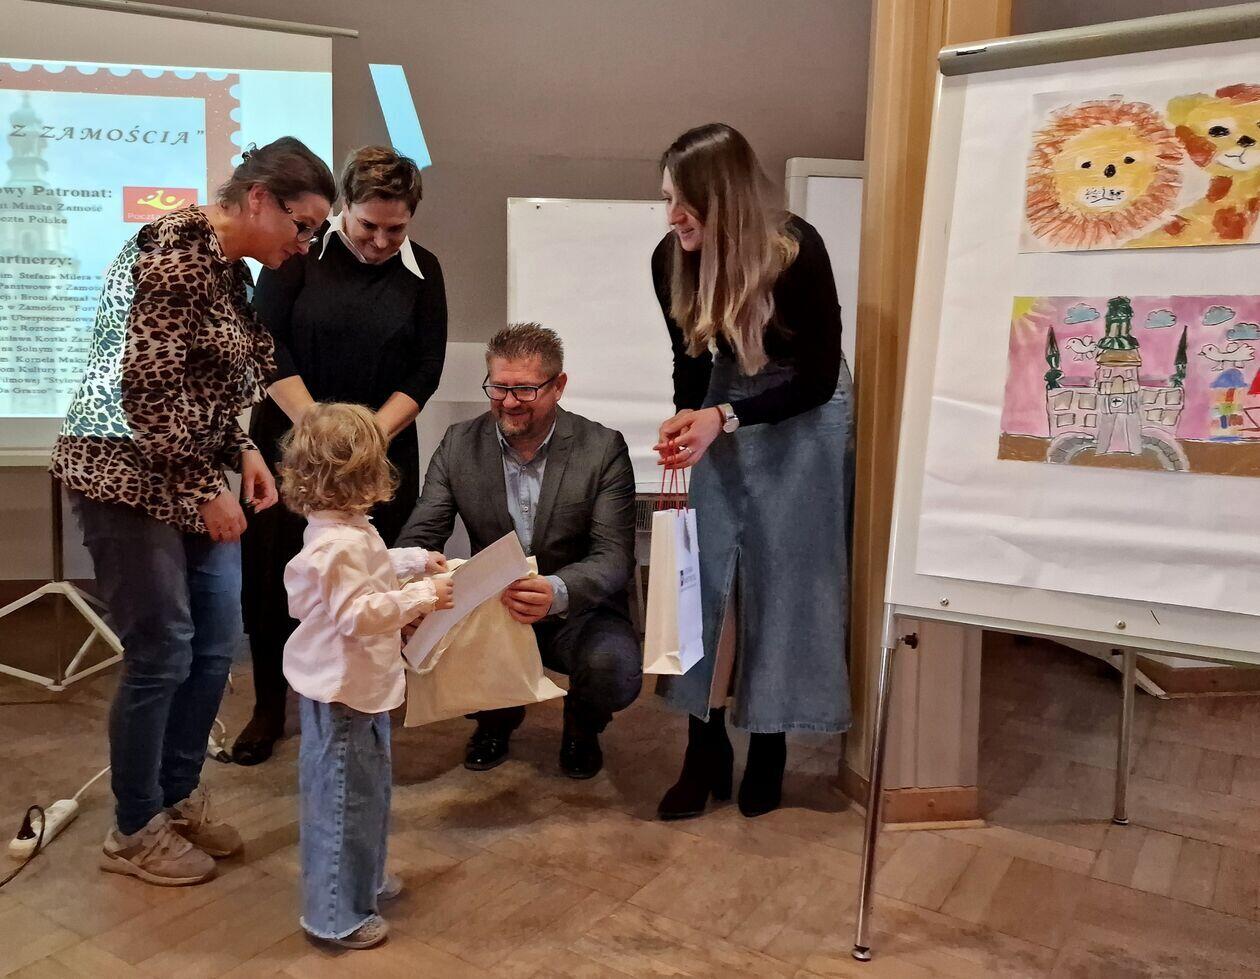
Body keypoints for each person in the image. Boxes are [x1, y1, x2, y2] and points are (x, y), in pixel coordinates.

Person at [50, 137, 336, 885]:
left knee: (212, 646)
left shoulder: (227, 266)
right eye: (303, 225)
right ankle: (132, 828)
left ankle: (175, 799)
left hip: (188, 468)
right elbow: (146, 393)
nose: (305, 244)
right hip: (124, 476)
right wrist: (206, 488)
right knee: (162, 650)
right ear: (260, 199)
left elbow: (211, 379)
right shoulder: (173, 256)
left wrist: (243, 448)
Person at [650, 123, 855, 820]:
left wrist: (726, 418)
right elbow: (689, 357)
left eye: (684, 202)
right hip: (724, 403)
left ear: (725, 199)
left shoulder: (796, 250)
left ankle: (770, 746)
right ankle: (704, 749)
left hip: (805, 412)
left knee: (788, 578)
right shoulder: (670, 256)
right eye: (667, 199)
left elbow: (818, 380)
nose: (672, 217)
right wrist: (688, 415)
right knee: (706, 578)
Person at [233, 146, 448, 765]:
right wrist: (323, 434)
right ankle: (269, 706)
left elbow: (425, 369)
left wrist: (365, 440)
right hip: (292, 445)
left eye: (395, 229)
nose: (381, 242)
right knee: (275, 578)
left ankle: (362, 697)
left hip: (378, 451)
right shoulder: (298, 255)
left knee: (368, 578)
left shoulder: (424, 271)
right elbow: (266, 346)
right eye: (367, 225)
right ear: (344, 208)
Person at [395, 323, 641, 779]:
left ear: (558, 385)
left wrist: (556, 590)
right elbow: (420, 534)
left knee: (615, 670)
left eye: (525, 390)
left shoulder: (602, 447)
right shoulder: (459, 443)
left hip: (576, 612)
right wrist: (410, 595)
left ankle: (582, 725)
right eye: (498, 388)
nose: (509, 402)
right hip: (491, 611)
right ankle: (496, 717)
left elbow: (614, 557)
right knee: (424, 634)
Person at [279, 403, 453, 949]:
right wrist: (422, 596)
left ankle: (363, 882)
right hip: (343, 694)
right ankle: (335, 915)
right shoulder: (340, 544)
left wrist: (414, 562)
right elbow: (358, 613)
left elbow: (370, 569)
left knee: (367, 794)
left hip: (360, 688)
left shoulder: (345, 530)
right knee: (342, 802)